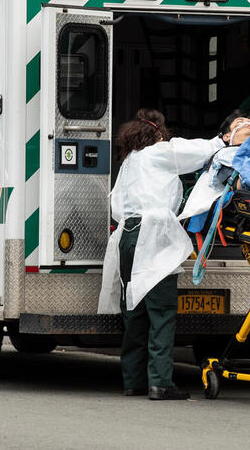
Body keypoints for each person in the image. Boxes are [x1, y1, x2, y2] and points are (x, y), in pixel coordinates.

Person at [98, 108, 222, 400]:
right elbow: (192, 151)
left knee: (135, 313)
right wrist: (222, 141)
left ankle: (133, 381)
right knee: (162, 313)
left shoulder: (130, 162)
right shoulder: (159, 153)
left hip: (127, 237)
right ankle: (161, 383)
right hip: (153, 238)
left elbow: (117, 204)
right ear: (157, 132)